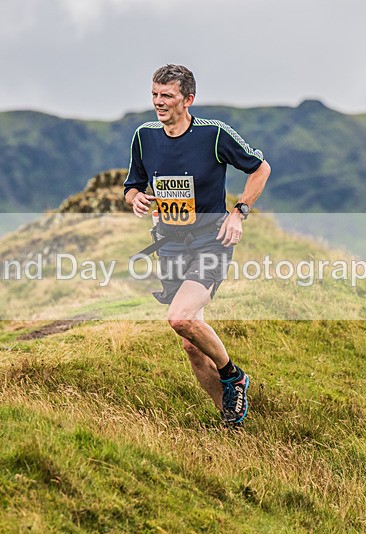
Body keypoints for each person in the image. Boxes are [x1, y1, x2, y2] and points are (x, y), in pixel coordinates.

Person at [123, 64, 271, 426]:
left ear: (188, 100)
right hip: (170, 245)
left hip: (210, 240)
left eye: (167, 96)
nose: (159, 102)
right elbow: (133, 183)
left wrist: (239, 211)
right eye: (155, 94)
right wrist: (134, 199)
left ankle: (233, 375)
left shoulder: (213, 135)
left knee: (180, 317)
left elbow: (260, 168)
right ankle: (232, 418)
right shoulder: (144, 136)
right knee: (190, 344)